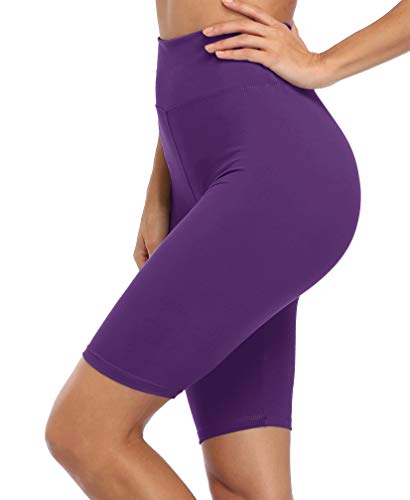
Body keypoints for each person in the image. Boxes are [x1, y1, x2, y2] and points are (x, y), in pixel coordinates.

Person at [45, 1, 410, 498]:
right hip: (212, 170)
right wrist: (161, 189)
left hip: (273, 173)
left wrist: (323, 64)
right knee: (241, 485)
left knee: (85, 434)